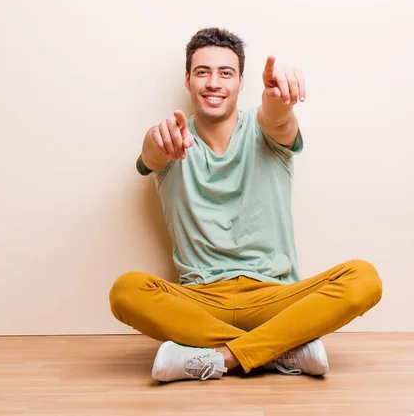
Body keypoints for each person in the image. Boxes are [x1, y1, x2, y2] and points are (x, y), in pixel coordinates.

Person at [109, 27, 382, 382]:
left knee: (364, 278)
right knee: (125, 291)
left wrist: (279, 99)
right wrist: (156, 142)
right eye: (202, 72)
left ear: (240, 81)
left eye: (226, 73)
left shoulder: (263, 127)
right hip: (200, 301)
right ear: (188, 80)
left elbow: (277, 118)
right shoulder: (172, 138)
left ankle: (219, 357)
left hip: (274, 297)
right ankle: (280, 349)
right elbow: (150, 153)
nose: (213, 83)